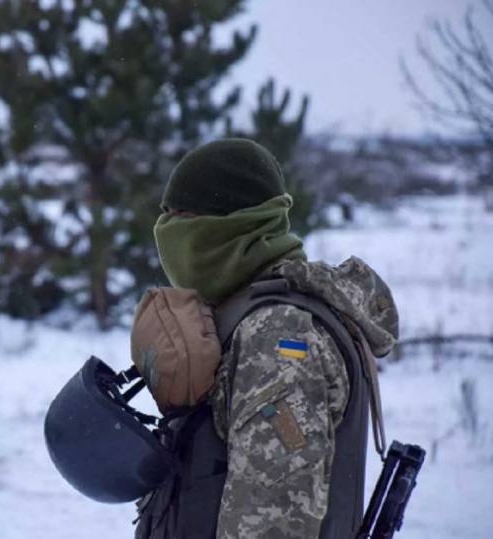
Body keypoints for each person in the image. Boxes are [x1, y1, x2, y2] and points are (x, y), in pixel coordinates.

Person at [133, 138, 398, 538]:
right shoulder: (244, 310)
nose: (167, 232)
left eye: (181, 216)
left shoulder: (278, 334)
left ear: (227, 224)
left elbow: (273, 519)